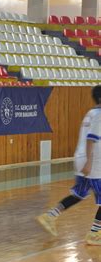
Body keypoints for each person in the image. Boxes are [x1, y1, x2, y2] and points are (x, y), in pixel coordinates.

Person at [37, 85, 101, 245]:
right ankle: (94, 234)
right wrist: (89, 162)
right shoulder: (99, 115)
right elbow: (92, 139)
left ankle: (50, 215)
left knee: (79, 194)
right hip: (91, 161)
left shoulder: (91, 113)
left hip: (82, 158)